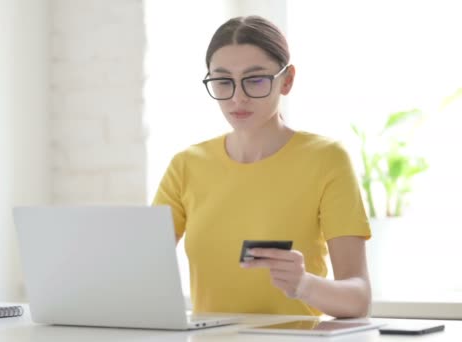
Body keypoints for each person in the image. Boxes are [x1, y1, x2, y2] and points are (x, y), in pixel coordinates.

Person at [152, 15, 371, 318]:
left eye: (255, 80)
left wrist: (304, 285)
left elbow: (358, 297)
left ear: (287, 80)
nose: (238, 98)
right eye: (223, 81)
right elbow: (141, 269)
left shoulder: (326, 159)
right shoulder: (186, 165)